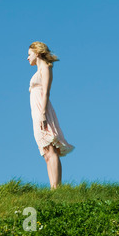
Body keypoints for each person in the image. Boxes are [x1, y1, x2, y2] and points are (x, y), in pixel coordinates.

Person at [27, 41, 75, 189]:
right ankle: (52, 187)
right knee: (47, 152)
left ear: (37, 52)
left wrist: (42, 113)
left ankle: (57, 187)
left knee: (52, 148)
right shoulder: (38, 71)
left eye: (29, 54)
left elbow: (46, 91)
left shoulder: (46, 68)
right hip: (36, 111)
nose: (27, 58)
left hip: (43, 110)